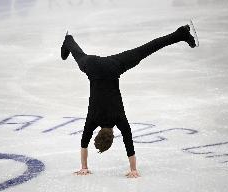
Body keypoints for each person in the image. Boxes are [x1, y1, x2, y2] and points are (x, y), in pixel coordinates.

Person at [61, 21, 198, 178]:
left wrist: (133, 170)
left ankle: (181, 34)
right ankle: (68, 40)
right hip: (93, 66)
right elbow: (84, 143)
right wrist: (83, 167)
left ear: (113, 136)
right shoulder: (92, 120)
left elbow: (129, 144)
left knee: (145, 50)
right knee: (79, 55)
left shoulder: (119, 120)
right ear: (98, 133)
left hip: (114, 67)